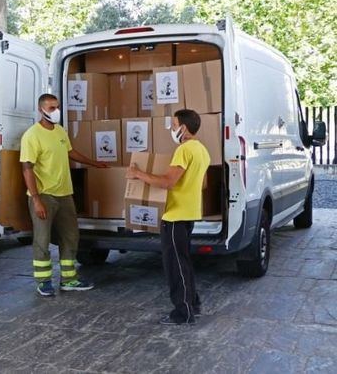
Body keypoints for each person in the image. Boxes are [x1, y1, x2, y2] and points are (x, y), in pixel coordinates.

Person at [126, 109, 209, 325]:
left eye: (173, 125)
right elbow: (204, 184)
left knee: (175, 265)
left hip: (174, 215)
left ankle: (183, 312)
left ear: (183, 127)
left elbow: (168, 182)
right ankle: (193, 304)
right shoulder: (202, 150)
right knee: (184, 262)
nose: (171, 129)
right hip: (189, 212)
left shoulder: (184, 150)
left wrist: (138, 174)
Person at [20, 93, 107, 297]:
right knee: (42, 240)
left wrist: (94, 163)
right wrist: (36, 200)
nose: (55, 111)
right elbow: (27, 169)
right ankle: (43, 281)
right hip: (43, 196)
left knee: (70, 236)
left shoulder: (60, 131)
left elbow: (71, 152)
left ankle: (68, 279)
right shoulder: (31, 136)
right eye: (51, 108)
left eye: (57, 107)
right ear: (41, 110)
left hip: (65, 195)